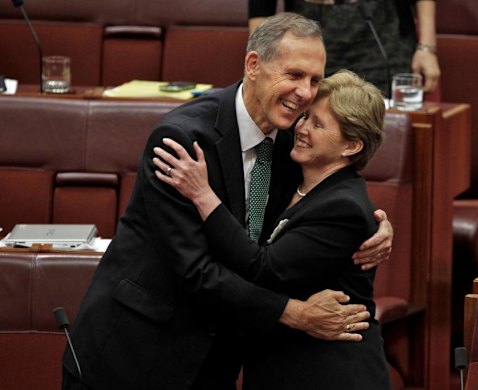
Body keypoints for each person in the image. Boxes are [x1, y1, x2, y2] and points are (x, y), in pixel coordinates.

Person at [61, 13, 393, 390]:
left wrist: (377, 224)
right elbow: (195, 270)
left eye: (314, 80)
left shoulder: (292, 143)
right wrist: (294, 313)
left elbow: (331, 195)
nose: (304, 92)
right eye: (294, 75)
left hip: (215, 361)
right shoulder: (182, 140)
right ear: (254, 65)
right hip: (134, 354)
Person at [153, 69, 391, 390]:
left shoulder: (343, 206)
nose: (302, 129)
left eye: (318, 124)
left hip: (329, 371)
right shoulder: (294, 174)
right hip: (283, 364)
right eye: (305, 117)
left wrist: (202, 194)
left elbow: (263, 268)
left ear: (351, 146)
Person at [248, 0, 441, 96]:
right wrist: (260, 62)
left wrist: (427, 48)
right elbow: (261, 8)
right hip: (309, 39)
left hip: (380, 34)